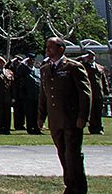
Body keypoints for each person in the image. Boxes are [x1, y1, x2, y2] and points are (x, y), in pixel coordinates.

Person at [39, 37, 91, 194]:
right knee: (62, 153)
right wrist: (41, 116)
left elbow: (85, 94)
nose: (47, 49)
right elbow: (44, 94)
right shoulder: (46, 69)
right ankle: (70, 185)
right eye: (47, 47)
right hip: (56, 121)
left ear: (61, 48)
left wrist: (83, 117)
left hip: (71, 119)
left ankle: (78, 188)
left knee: (73, 155)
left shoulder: (73, 67)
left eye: (51, 47)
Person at [79, 52, 108, 133]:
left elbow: (104, 80)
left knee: (99, 111)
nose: (91, 58)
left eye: (92, 56)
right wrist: (82, 58)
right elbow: (75, 61)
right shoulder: (83, 66)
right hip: (89, 92)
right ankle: (93, 128)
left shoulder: (100, 67)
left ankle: (99, 128)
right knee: (91, 112)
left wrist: (106, 90)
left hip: (98, 92)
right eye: (89, 56)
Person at [18, 53, 43, 132]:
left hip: (36, 95)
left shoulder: (36, 70)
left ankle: (37, 128)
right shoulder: (24, 70)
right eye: (30, 60)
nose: (32, 61)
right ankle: (30, 128)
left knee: (37, 113)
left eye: (33, 60)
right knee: (29, 113)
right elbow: (18, 71)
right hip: (28, 96)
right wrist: (23, 62)